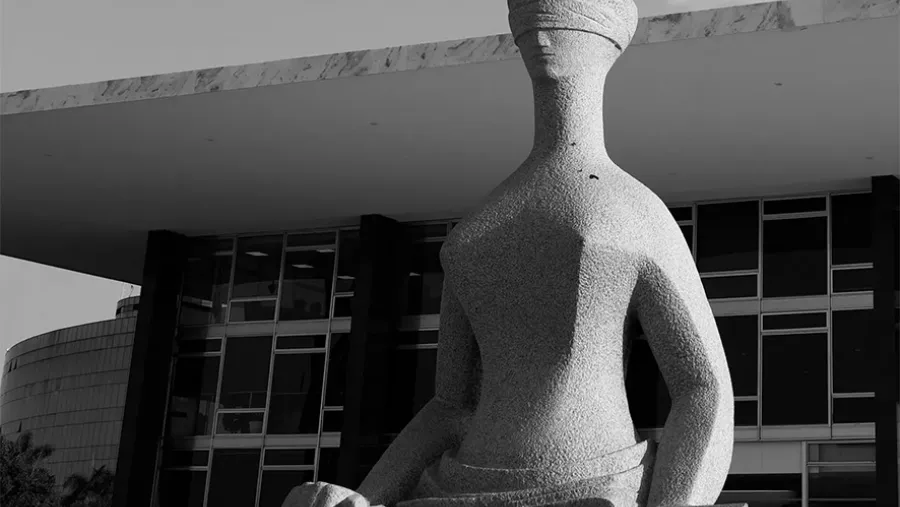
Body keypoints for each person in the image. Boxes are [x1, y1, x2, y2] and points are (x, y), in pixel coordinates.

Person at [284, 1, 735, 506]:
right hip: (455, 487)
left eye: (558, 24)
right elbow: (450, 404)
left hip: (592, 484)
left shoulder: (631, 209)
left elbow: (704, 388)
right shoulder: (482, 224)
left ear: (605, 43)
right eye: (529, 28)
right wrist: (366, 497)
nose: (541, 40)